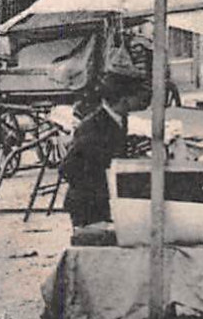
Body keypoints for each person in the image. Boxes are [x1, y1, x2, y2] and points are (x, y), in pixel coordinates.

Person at [62, 68, 148, 231]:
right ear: (124, 100)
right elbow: (68, 168)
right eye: (139, 98)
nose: (143, 102)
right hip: (89, 204)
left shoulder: (119, 118)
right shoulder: (93, 128)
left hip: (104, 198)